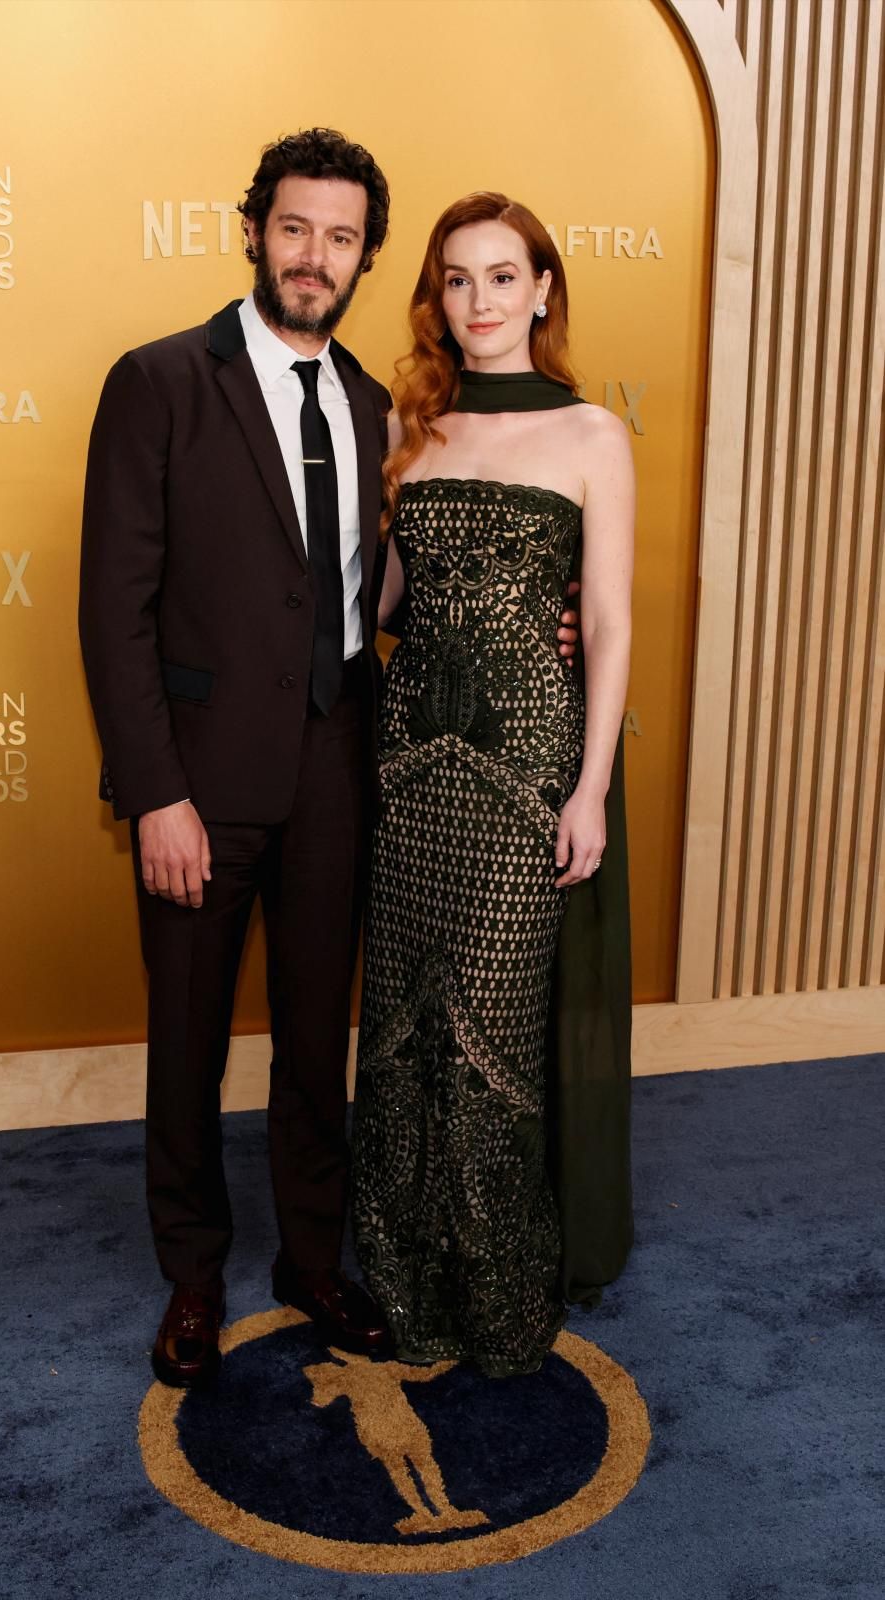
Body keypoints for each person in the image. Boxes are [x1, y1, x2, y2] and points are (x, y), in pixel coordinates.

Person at [80, 135, 582, 1390]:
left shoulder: (377, 408)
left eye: (343, 238)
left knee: (317, 1045)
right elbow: (112, 609)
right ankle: (194, 1277)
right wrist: (154, 792)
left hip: (343, 776)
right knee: (188, 1041)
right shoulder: (158, 383)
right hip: (195, 786)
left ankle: (313, 1260)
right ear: (252, 231)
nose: (316, 258)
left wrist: (543, 614)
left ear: (364, 256)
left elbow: (396, 589)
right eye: (294, 229)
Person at [351, 192, 634, 1376]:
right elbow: (381, 607)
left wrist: (590, 790)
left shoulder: (589, 435)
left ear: (542, 289)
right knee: (407, 1027)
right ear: (437, 297)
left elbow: (611, 625)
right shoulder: (413, 427)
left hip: (526, 771)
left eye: (501, 277)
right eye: (456, 280)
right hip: (411, 765)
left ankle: (501, 1296)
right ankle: (407, 1283)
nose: (479, 302)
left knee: (492, 1032)